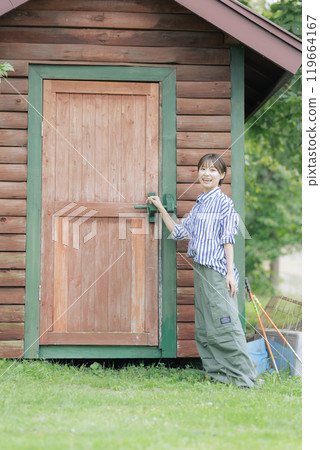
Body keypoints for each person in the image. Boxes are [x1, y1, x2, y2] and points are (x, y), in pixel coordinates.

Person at [147, 153, 257, 388]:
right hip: (201, 270)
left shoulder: (224, 203)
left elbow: (228, 239)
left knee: (225, 326)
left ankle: (245, 380)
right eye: (203, 169)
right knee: (206, 327)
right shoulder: (200, 203)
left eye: (213, 170)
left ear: (222, 176)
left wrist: (229, 272)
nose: (207, 173)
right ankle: (218, 375)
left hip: (217, 274)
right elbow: (179, 232)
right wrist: (161, 210)